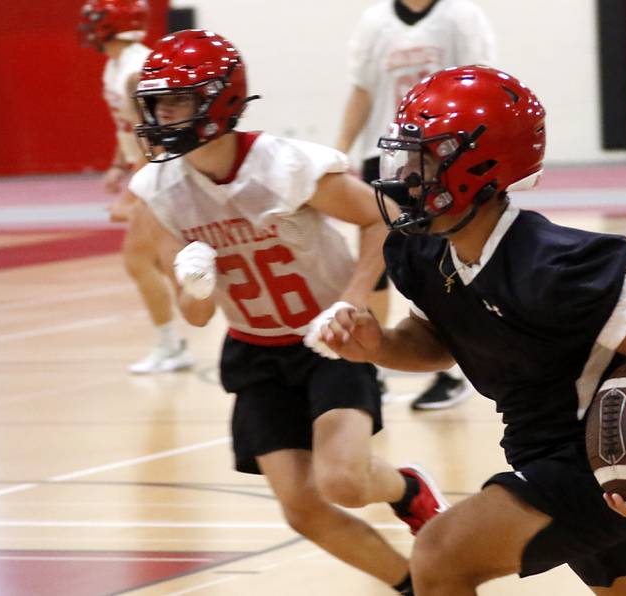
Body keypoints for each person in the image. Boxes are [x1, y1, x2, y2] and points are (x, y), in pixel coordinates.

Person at [320, 66, 626, 595]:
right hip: (537, 449)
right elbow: (435, 340)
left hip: (592, 459)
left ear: (480, 168)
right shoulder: (424, 250)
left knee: (439, 555)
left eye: (426, 159)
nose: (407, 176)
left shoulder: (552, 265)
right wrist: (380, 346)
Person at [126, 29, 448, 595]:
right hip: (254, 350)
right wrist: (196, 285)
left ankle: (405, 490)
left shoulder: (286, 166)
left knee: (345, 482)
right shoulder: (160, 190)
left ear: (219, 100)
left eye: (177, 100)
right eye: (157, 103)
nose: (162, 115)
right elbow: (197, 318)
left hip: (328, 342)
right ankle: (413, 585)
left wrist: (353, 297)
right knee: (302, 509)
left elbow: (383, 215)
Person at [335, 0, 495, 410]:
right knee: (377, 263)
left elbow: (481, 83)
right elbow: (361, 90)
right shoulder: (375, 22)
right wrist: (339, 150)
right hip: (386, 154)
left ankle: (451, 369)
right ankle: (372, 361)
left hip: (442, 157)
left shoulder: (460, 16)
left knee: (438, 265)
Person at [79, 0, 193, 374]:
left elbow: (157, 138)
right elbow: (128, 126)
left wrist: (133, 192)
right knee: (165, 260)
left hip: (163, 172)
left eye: (95, 21)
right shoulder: (115, 67)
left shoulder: (136, 71)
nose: (89, 28)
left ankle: (172, 345)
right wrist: (117, 165)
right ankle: (176, 340)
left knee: (140, 259)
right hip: (148, 171)